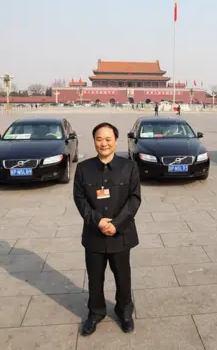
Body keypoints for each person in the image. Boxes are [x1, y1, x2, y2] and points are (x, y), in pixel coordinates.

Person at [73, 122, 141, 336]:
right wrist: (98, 221)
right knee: (95, 277)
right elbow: (80, 198)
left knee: (123, 277)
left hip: (121, 234)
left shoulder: (129, 167)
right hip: (94, 233)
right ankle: (95, 313)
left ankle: (124, 311)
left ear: (116, 141)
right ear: (94, 141)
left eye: (108, 139)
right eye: (99, 139)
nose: (104, 143)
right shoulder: (83, 168)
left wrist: (116, 224)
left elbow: (135, 198)